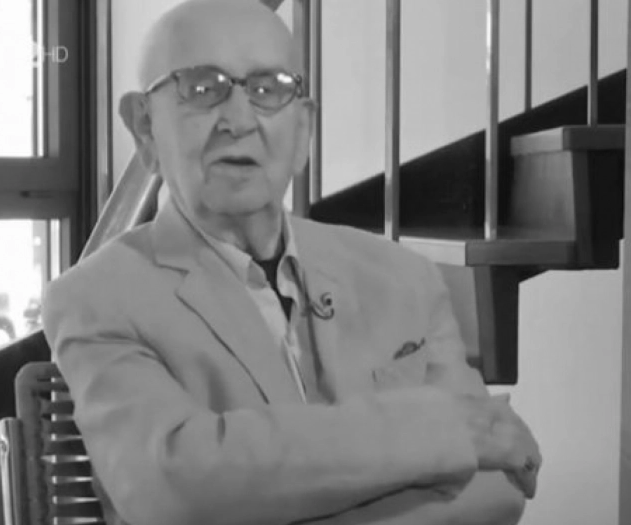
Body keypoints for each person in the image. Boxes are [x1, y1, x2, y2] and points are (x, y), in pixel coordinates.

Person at [41, 1, 542, 524]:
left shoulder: (404, 277)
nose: (239, 121)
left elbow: (496, 486)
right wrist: (437, 434)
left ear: (303, 131)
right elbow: (173, 490)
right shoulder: (96, 298)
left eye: (269, 89)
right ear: (145, 128)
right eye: (202, 88)